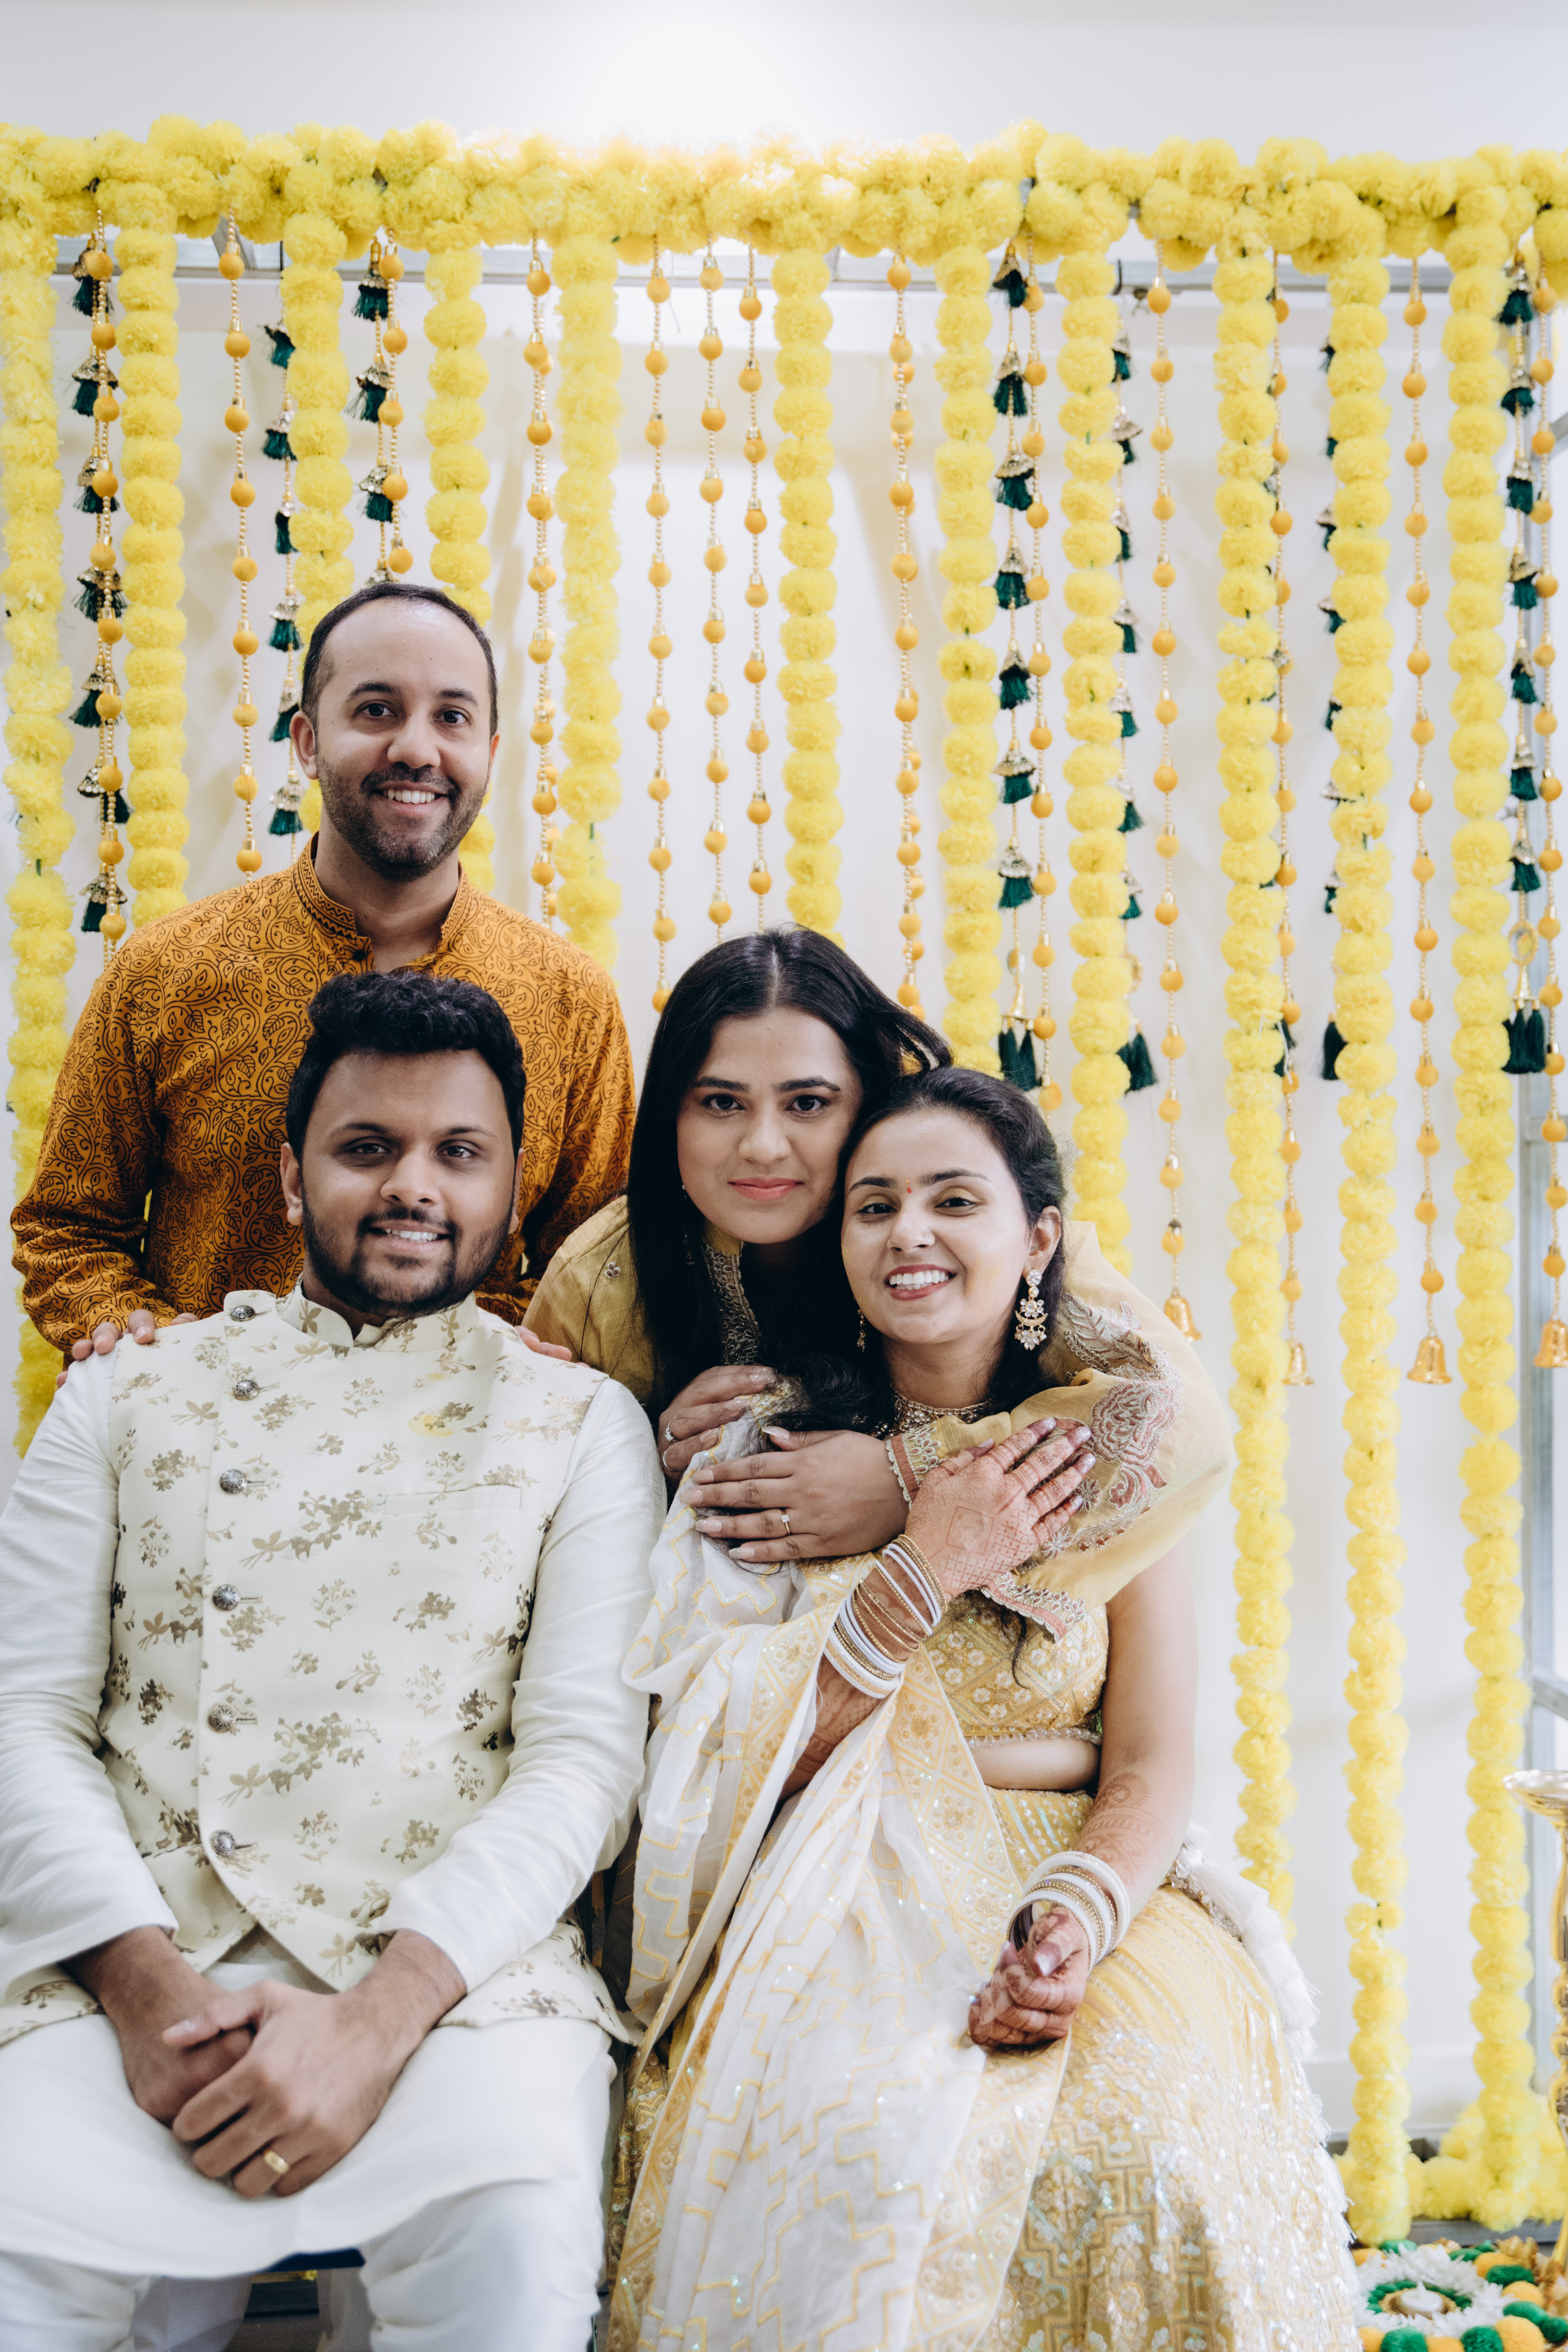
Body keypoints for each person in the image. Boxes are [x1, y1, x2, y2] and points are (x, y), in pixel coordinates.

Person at [610, 1067, 1352, 2352]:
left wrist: (1074, 1917)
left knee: (1152, 2150)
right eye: (873, 1205)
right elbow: (708, 1751)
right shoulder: (765, 1450)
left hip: (1081, 1872)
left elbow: (1151, 1758)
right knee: (858, 2150)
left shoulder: (1105, 1462)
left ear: (1037, 1237)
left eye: (954, 1199)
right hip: (832, 1883)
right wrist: (922, 1567)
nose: (909, 1232)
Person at [0, 970, 662, 2352]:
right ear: (292, 1179)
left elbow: (580, 1764)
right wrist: (143, 1988)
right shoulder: (121, 1390)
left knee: (514, 2247)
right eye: (368, 1146)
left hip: (456, 1982)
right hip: (133, 1957)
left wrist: (376, 2021)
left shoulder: (581, 1424)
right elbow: (23, 1717)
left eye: (458, 1151)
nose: (413, 1183)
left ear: (512, 1190)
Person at [14, 580, 634, 1375]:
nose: (416, 749)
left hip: (468, 1439)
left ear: (489, 751)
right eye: (377, 709)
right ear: (307, 742)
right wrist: (161, 1354)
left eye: (451, 717)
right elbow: (68, 1228)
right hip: (207, 1434)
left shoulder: (570, 998)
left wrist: (482, 1359)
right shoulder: (166, 970)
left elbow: (595, 1263)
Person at [525, 928, 1226, 1572]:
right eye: (721, 1103)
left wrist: (906, 1477)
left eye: (807, 1103)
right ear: (668, 1117)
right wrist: (640, 1458)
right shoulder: (603, 1276)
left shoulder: (988, 1238)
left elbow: (1187, 1429)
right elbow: (525, 1505)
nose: (762, 1146)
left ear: (871, 1105)